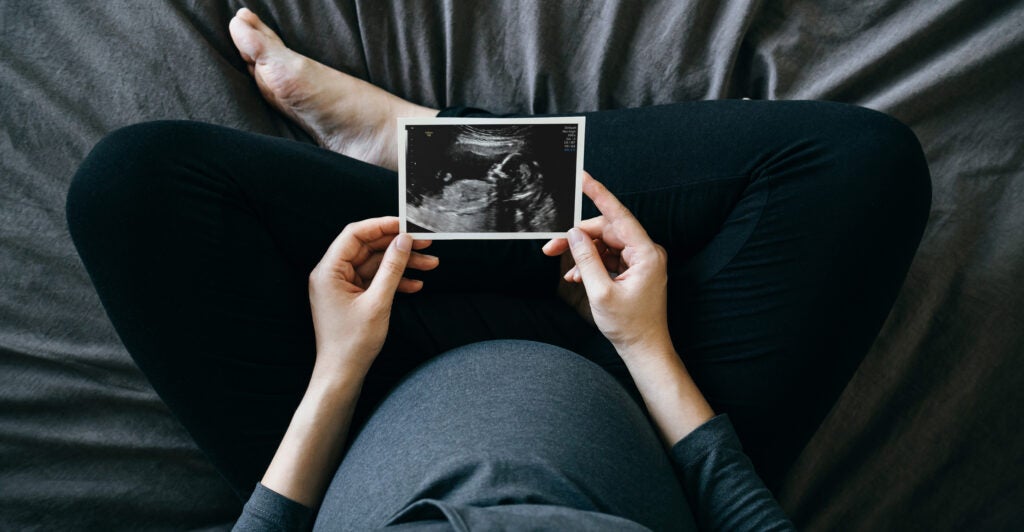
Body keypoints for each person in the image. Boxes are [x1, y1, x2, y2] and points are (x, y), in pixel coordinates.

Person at [64, 7, 931, 531]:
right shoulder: (644, 358)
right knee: (861, 166)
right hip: (646, 398)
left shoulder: (344, 379)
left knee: (131, 187)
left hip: (352, 408)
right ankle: (429, 151)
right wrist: (645, 347)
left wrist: (336, 369)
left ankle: (426, 157)